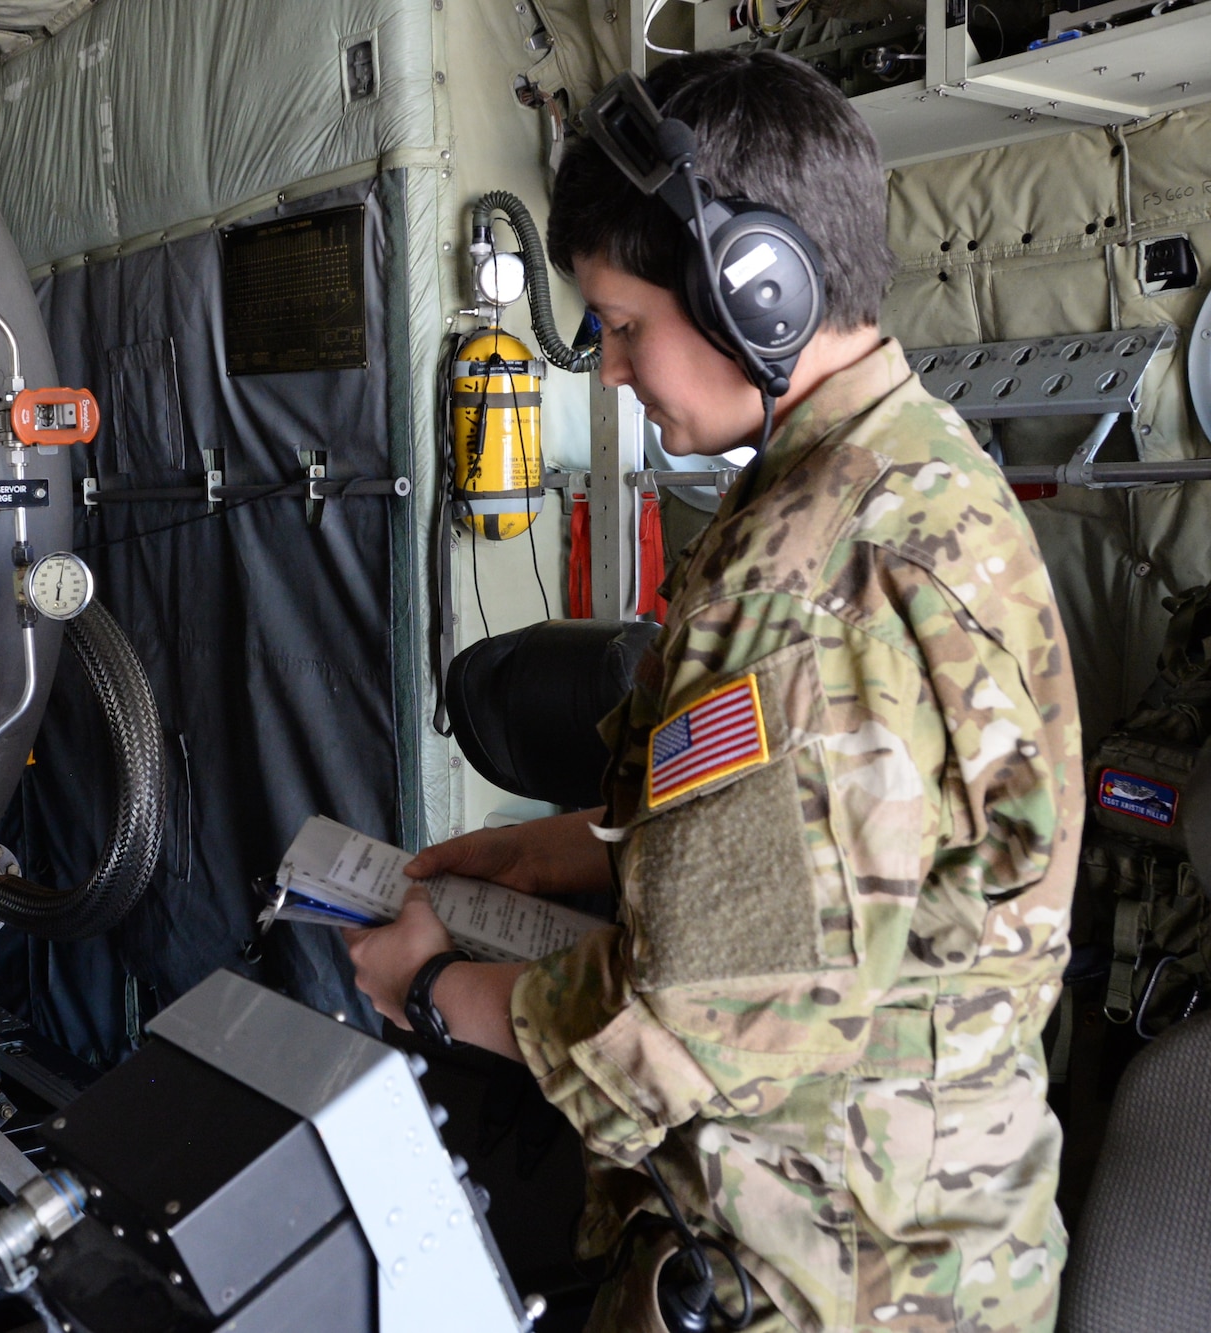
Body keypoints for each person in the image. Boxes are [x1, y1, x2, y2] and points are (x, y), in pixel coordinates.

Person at [346, 49, 1081, 1333]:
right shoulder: (901, 460)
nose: (612, 371)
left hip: (822, 1276)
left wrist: (438, 991)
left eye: (624, 325)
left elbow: (706, 1023)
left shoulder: (800, 580)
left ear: (757, 289)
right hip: (913, 1237)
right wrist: (556, 851)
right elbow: (844, 853)